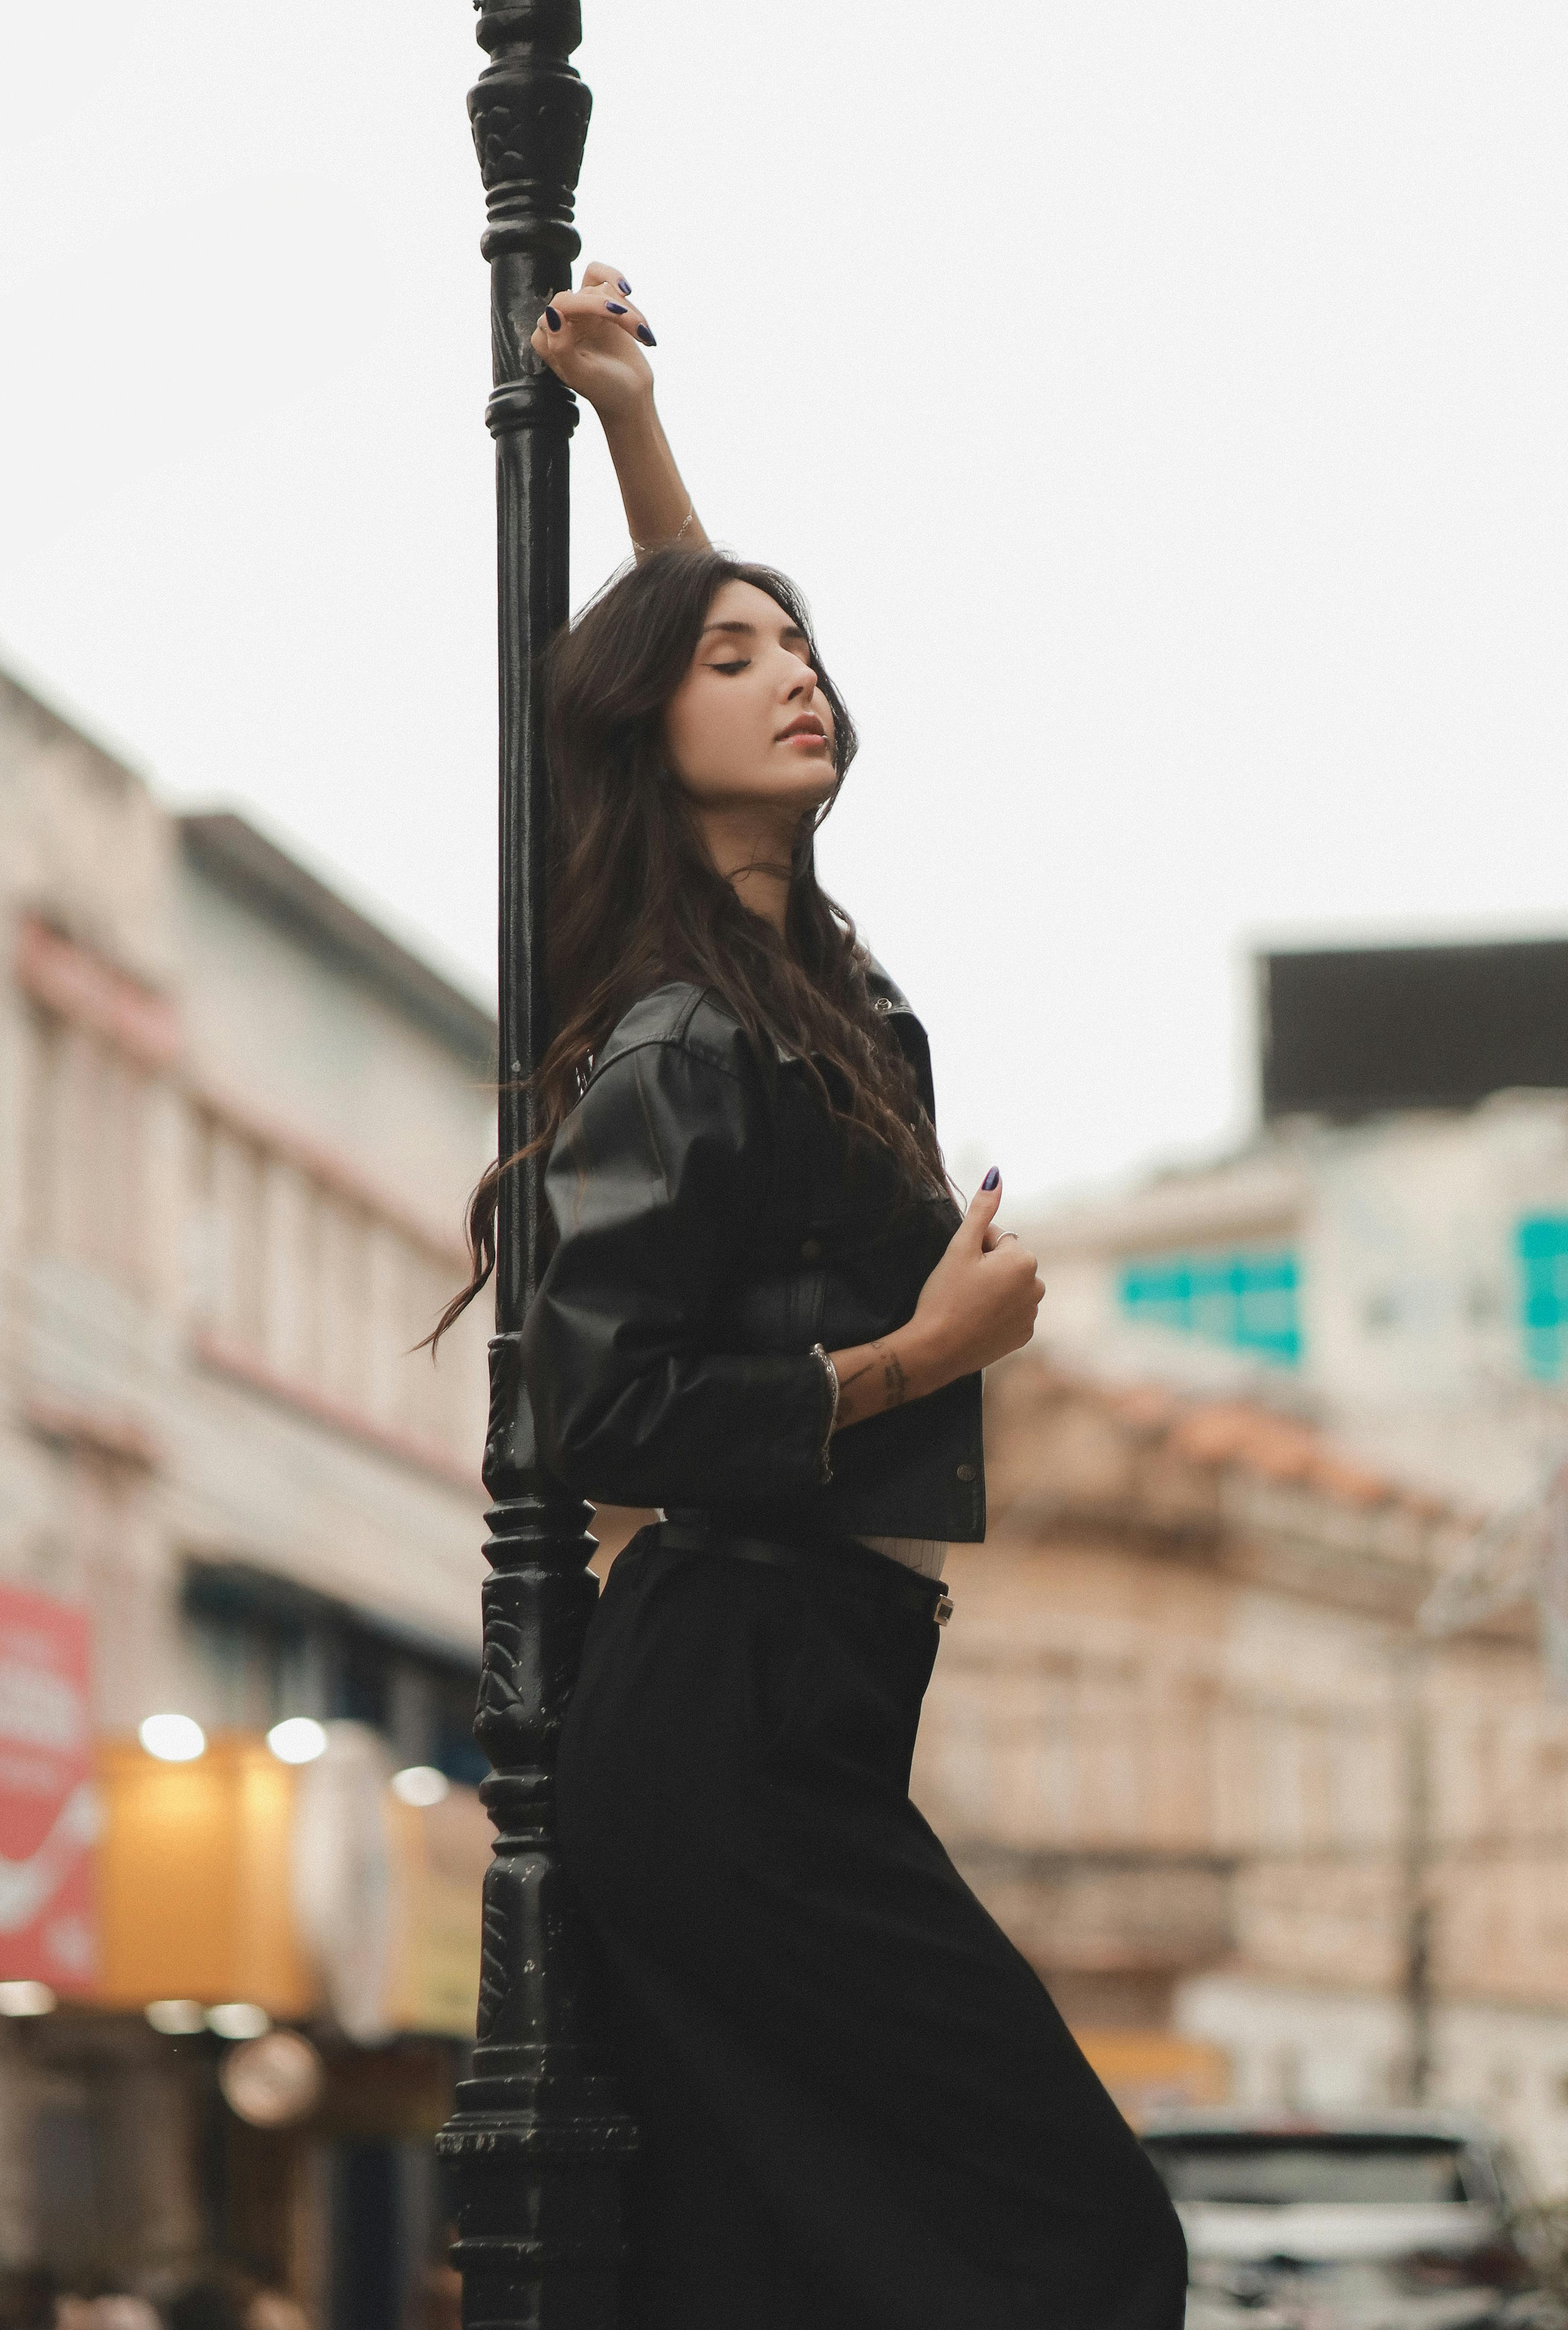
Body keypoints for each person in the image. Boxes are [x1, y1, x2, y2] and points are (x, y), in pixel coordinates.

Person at [435, 265, 1189, 2330]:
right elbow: (605, 1412)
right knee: (1072, 2230)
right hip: (721, 1700)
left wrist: (632, 424)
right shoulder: (685, 1035)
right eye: (740, 660)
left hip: (816, 1690)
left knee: (781, 2266)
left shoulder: (803, 985)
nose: (797, 681)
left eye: (808, 652)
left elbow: (686, 637)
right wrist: (920, 1359)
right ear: (646, 727)